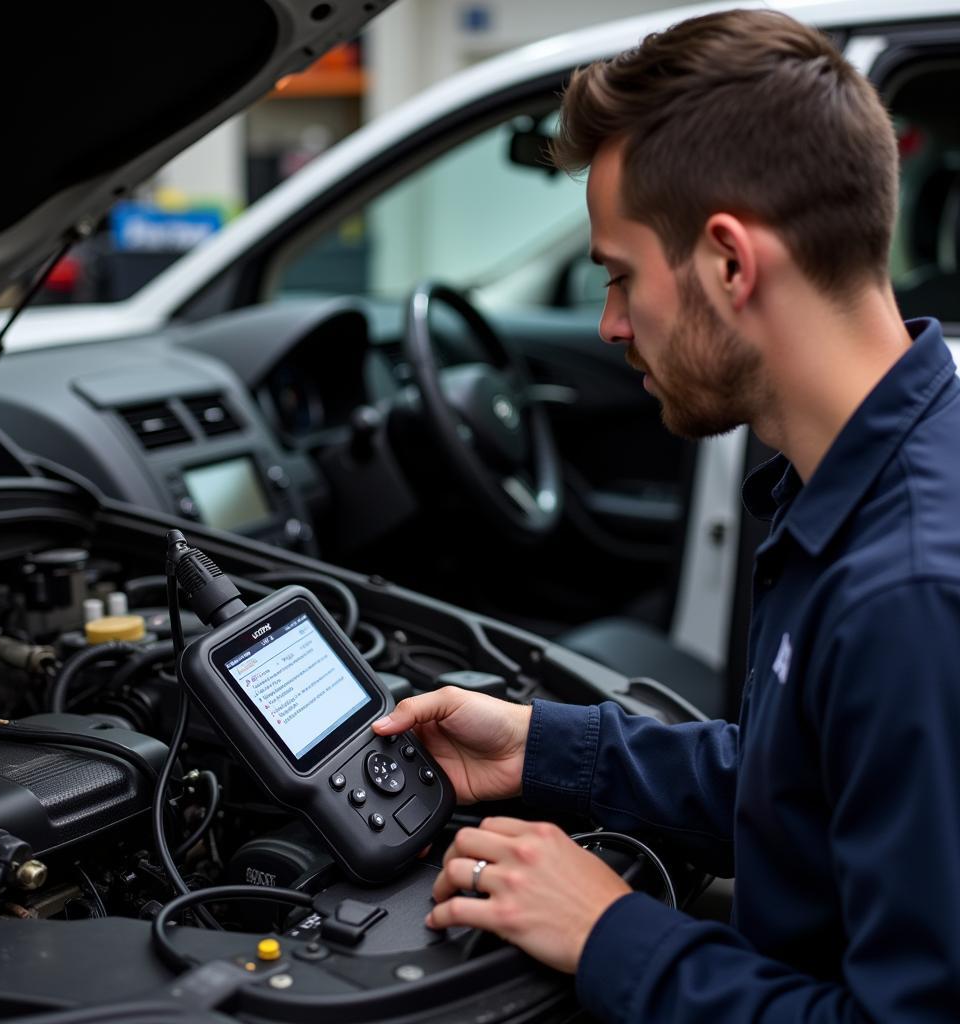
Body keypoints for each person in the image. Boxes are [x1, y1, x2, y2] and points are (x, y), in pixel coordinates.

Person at [372, 9, 960, 1022]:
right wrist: (538, 748)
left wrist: (611, 932)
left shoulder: (909, 595)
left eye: (618, 275)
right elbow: (809, 792)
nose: (608, 324)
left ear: (730, 263)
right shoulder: (884, 460)